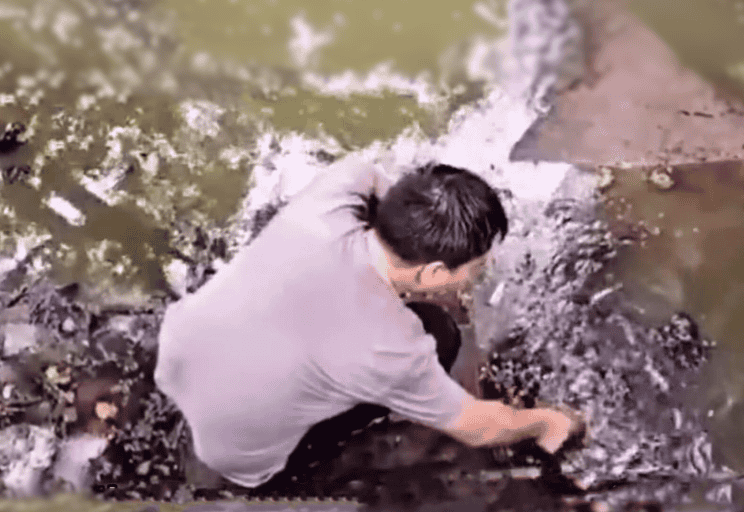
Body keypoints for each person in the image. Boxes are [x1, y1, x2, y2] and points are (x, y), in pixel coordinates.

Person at [154, 152, 581, 493]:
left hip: (173, 354)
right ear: (434, 273)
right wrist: (548, 422)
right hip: (234, 458)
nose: (478, 275)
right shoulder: (389, 349)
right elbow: (479, 427)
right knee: (442, 333)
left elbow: (375, 176)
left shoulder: (337, 191)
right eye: (477, 267)